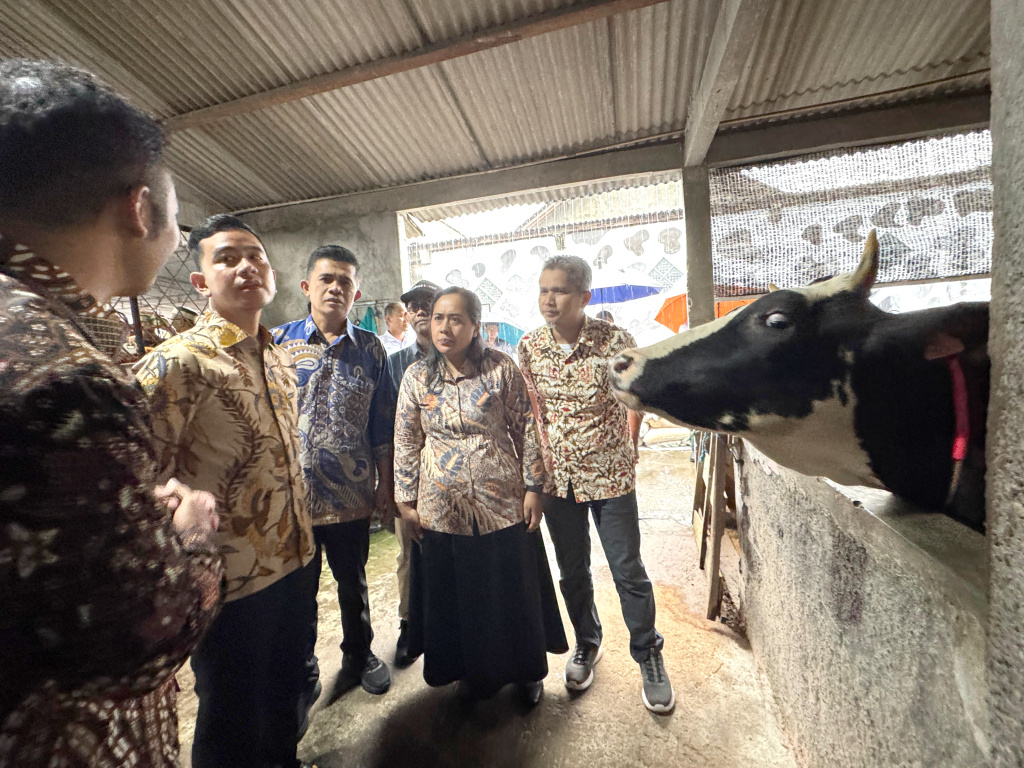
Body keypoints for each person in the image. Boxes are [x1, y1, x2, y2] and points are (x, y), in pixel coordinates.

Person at [0, 59, 222, 767]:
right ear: (138, 208)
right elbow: (136, 638)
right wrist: (187, 532)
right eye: (179, 219)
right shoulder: (68, 382)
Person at [135, 214, 317, 768]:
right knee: (232, 716)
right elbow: (128, 468)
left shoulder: (281, 357)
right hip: (231, 581)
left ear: (273, 273)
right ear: (200, 281)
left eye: (256, 257)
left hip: (297, 559)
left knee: (286, 693)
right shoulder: (178, 363)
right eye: (227, 258)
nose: (246, 267)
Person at [518, 254, 676, 714]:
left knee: (628, 570)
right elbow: (533, 416)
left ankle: (648, 655)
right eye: (544, 289)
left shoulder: (615, 341)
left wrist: (629, 443)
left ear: (584, 296)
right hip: (558, 480)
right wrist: (534, 479)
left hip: (610, 478)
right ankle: (587, 642)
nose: (550, 299)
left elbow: (635, 397)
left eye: (560, 290)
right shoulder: (529, 346)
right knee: (572, 570)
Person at [394, 287, 567, 705]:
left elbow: (527, 429)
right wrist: (405, 499)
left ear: (475, 325)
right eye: (438, 318)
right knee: (457, 595)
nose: (445, 327)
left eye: (456, 319)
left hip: (502, 504)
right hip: (442, 507)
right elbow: (405, 438)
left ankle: (527, 673)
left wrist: (533, 489)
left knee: (510, 592)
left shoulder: (500, 369)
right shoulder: (417, 377)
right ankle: (467, 673)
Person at [273, 246, 397, 701]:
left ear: (356, 293)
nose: (335, 288)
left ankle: (359, 654)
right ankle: (303, 669)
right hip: (293, 499)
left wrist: (384, 484)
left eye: (344, 281)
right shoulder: (278, 344)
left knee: (353, 581)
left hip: (351, 496)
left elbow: (382, 424)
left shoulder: (371, 349)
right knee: (299, 592)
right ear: (307, 287)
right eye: (326, 279)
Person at [386, 279, 440, 668]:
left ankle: (450, 624)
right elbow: (390, 427)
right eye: (414, 306)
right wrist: (394, 487)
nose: (420, 311)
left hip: (452, 480)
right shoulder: (394, 364)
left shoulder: (464, 356)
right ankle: (409, 624)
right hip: (409, 475)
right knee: (409, 553)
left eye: (428, 303)